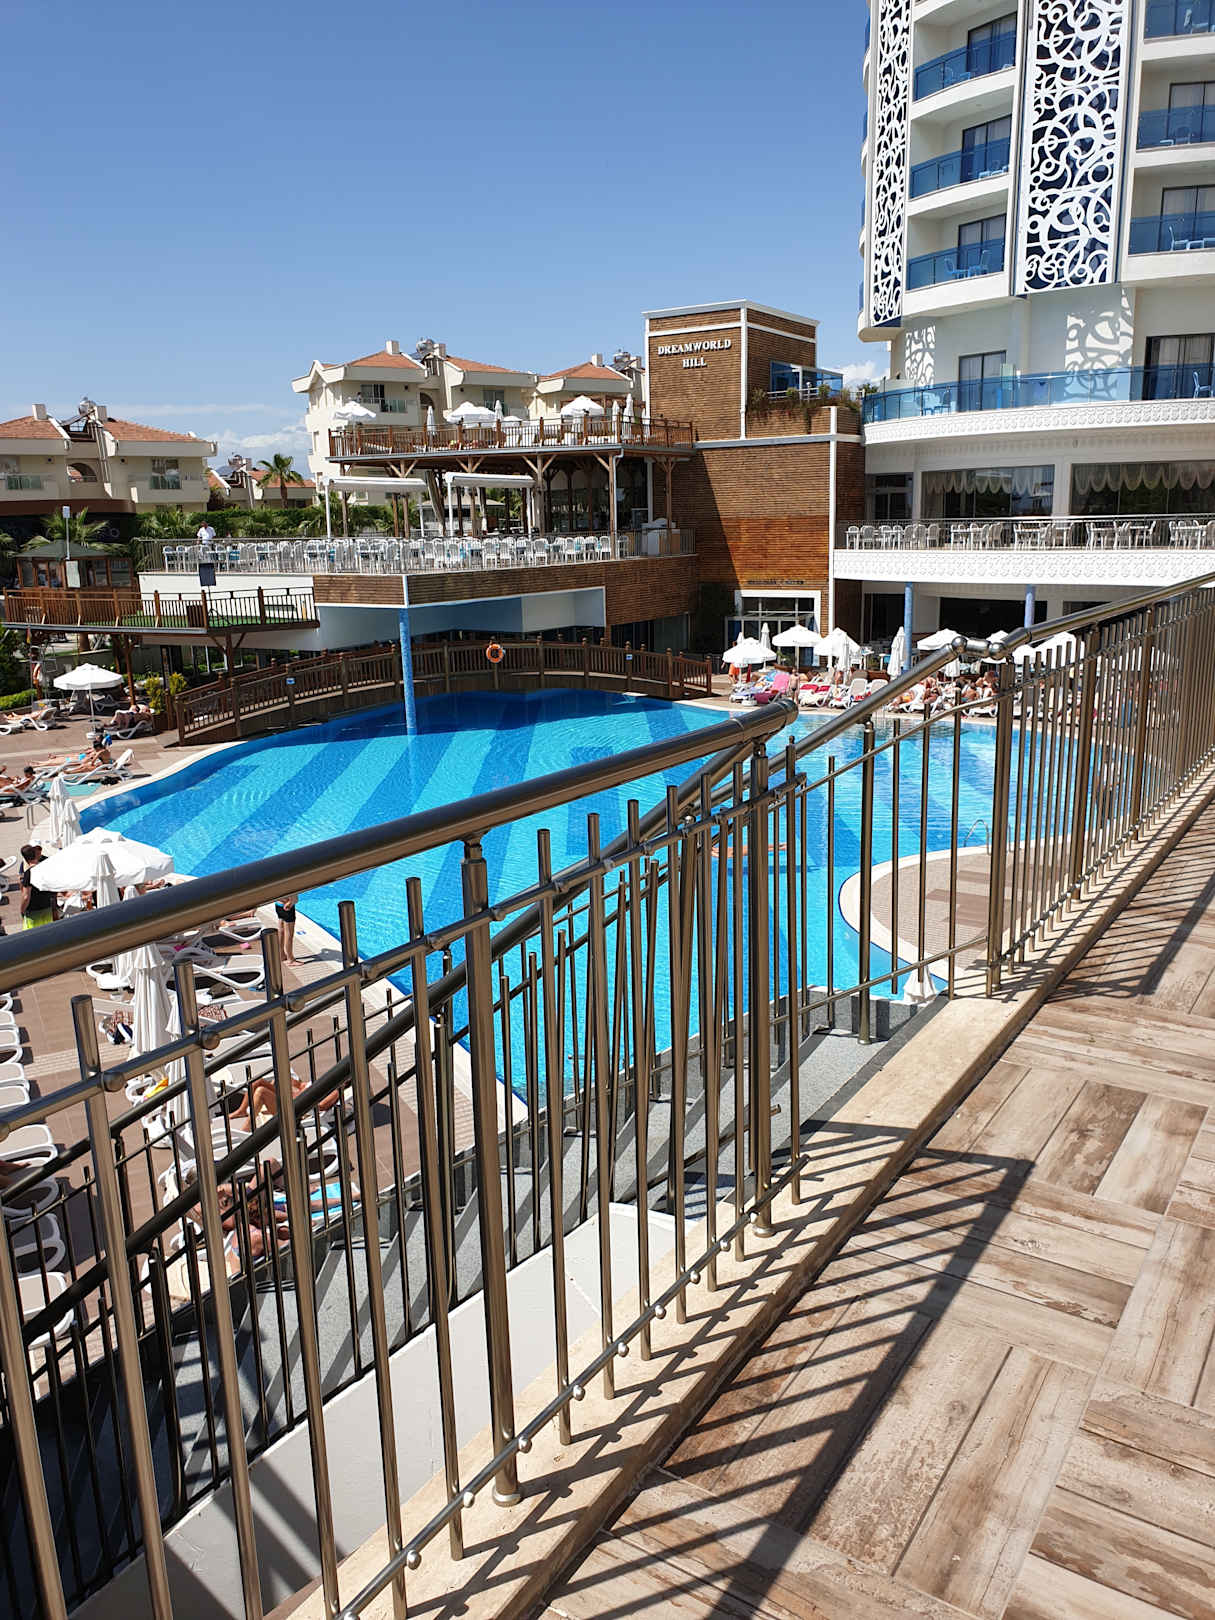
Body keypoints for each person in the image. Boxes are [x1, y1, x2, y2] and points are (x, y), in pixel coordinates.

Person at [19, 844, 56, 930]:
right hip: (47, 908)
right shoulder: (45, 869)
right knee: (48, 933)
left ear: (25, 858)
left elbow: (26, 896)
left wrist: (22, 910)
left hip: (33, 912)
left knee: (33, 935)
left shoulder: (29, 873)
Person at [275, 894, 298, 964]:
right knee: (289, 934)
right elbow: (293, 897)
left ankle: (281, 955)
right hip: (287, 907)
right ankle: (291, 959)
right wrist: (291, 902)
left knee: (281, 930)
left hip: (278, 905)